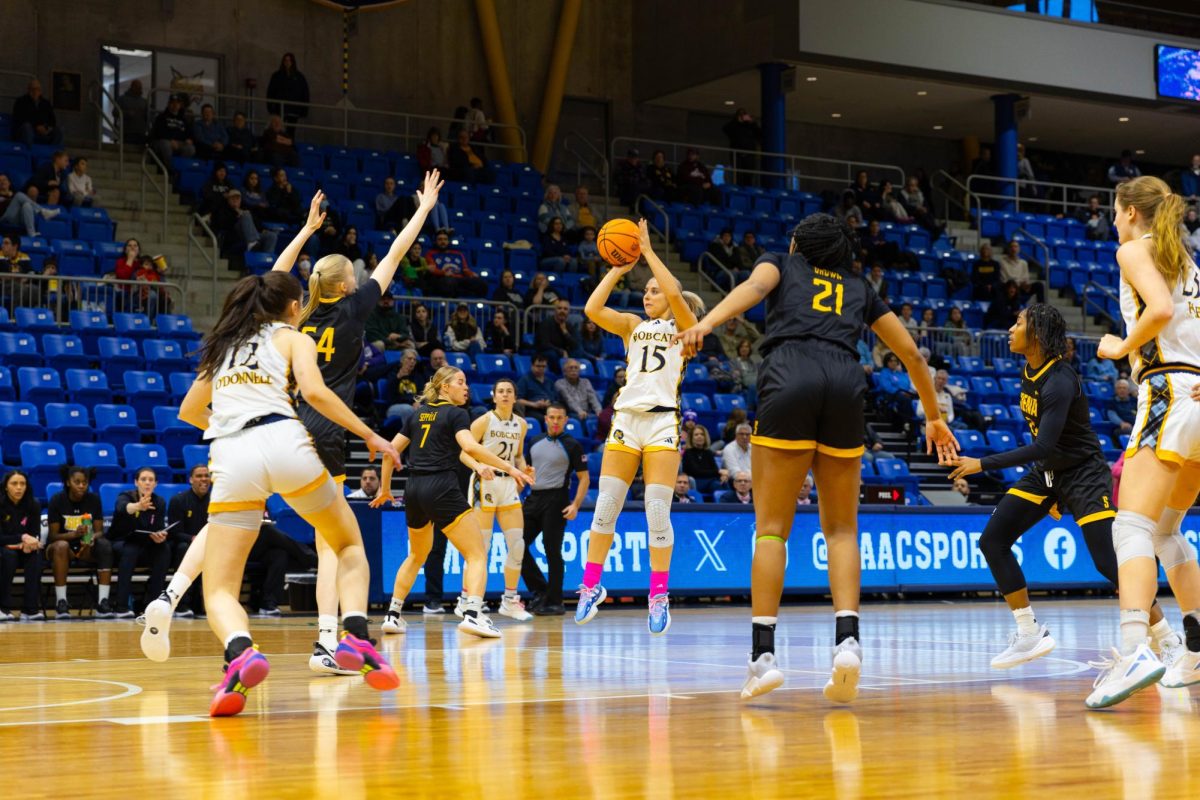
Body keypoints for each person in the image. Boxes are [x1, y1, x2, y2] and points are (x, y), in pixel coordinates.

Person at [675, 212, 958, 702]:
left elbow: (752, 289)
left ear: (799, 244)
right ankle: (847, 643)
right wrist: (933, 417)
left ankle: (762, 657)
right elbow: (912, 354)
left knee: (771, 528)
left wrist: (705, 322)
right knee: (842, 528)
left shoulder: (781, 265)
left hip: (790, 373)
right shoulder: (858, 286)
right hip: (846, 382)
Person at [165, 270, 400, 716]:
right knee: (346, 542)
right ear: (295, 307)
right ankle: (354, 636)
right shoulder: (294, 338)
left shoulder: (221, 348)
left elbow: (189, 410)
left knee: (219, 589)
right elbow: (314, 392)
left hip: (232, 456)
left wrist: (228, 429)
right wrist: (372, 435)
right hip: (284, 440)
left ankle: (241, 653)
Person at [946, 304, 1180, 673]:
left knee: (1109, 563)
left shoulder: (1060, 379)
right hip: (1048, 473)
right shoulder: (1029, 370)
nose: (1010, 328)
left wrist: (982, 463)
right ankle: (1029, 632)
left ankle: (1168, 640)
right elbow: (1045, 450)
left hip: (1083, 474)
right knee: (993, 540)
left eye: (1018, 322)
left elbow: (1042, 445)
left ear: (1036, 333)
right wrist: (1051, 493)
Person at [1084, 175, 1200, 706]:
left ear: (1131, 211)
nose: (1112, 219)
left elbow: (1157, 311)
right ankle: (1195, 651)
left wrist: (1118, 347)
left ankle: (1134, 649)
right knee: (1167, 531)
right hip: (1197, 395)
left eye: (1114, 210)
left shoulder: (1134, 249)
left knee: (1130, 525)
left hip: (1168, 392)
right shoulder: (1187, 261)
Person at [575, 219, 704, 635]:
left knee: (655, 511)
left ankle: (658, 593)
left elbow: (671, 291)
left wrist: (647, 251)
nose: (647, 295)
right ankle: (591, 586)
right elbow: (593, 310)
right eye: (644, 290)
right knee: (606, 507)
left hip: (663, 423)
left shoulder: (686, 331)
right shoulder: (633, 327)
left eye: (653, 291)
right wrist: (619, 266)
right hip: (626, 421)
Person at [372, 367, 532, 637]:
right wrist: (511, 468)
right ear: (445, 388)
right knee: (477, 553)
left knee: (416, 555)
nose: (466, 387)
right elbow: (470, 447)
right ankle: (472, 614)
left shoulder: (417, 414)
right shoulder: (457, 414)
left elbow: (389, 453)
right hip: (441, 488)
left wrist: (385, 489)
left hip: (414, 489)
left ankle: (393, 614)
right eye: (460, 382)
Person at [455, 379, 535, 621]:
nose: (505, 395)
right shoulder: (484, 421)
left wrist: (524, 468)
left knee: (517, 545)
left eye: (509, 391)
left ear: (514, 396)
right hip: (485, 483)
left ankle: (510, 600)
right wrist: (479, 467)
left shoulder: (521, 424)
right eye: (500, 391)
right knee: (482, 547)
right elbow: (462, 452)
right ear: (493, 396)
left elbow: (518, 455)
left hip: (508, 483)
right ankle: (466, 600)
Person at [520, 403, 590, 615]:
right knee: (516, 546)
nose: (556, 421)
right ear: (546, 419)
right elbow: (528, 471)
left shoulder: (572, 445)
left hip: (557, 500)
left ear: (566, 420)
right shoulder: (534, 441)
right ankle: (540, 590)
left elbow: (584, 478)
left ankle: (555, 601)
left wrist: (575, 504)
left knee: (552, 551)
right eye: (552, 417)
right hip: (534, 499)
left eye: (560, 418)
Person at [46, 466, 113, 619]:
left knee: (104, 545)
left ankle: (103, 602)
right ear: (68, 482)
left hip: (86, 547)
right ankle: (61, 602)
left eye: (84, 482)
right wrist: (75, 534)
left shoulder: (94, 500)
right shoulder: (57, 500)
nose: (82, 485)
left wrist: (90, 538)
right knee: (61, 546)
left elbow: (99, 531)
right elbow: (53, 536)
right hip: (62, 549)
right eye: (77, 482)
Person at [109, 467, 172, 619]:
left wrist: (159, 535)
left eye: (151, 480)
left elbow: (156, 527)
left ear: (156, 484)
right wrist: (138, 506)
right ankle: (122, 606)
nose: (147, 483)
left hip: (145, 542)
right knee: (131, 550)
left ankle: (152, 604)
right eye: (143, 479)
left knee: (164, 549)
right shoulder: (125, 496)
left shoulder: (159, 502)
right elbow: (122, 508)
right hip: (122, 541)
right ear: (136, 482)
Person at [166, 464, 211, 618]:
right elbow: (174, 532)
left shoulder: (216, 501)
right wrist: (194, 539)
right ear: (191, 479)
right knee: (184, 548)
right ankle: (182, 605)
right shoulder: (178, 500)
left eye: (206, 475)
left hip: (210, 544)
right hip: (184, 544)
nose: (204, 479)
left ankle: (206, 606)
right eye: (199, 476)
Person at [0, 470, 45, 621]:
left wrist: (31, 543)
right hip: (4, 548)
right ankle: (3, 608)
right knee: (8, 556)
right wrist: (22, 537)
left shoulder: (33, 504)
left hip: (22, 548)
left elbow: (34, 534)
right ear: (6, 487)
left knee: (36, 556)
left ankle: (30, 609)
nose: (19, 487)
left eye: (22, 484)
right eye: (14, 484)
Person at [425, 228, 488, 297]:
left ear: (448, 241)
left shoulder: (458, 254)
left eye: (445, 239)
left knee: (481, 283)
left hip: (459, 278)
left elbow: (465, 269)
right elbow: (433, 269)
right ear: (436, 242)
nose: (443, 242)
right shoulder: (430, 254)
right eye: (440, 239)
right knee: (449, 283)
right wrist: (444, 273)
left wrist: (472, 274)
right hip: (443, 279)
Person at [0, 173, 59, 237]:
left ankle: (31, 233)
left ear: (9, 183)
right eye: (0, 180)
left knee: (27, 205)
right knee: (19, 195)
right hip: (5, 218)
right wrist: (8, 201)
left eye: (4, 180)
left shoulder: (14, 193)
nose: (2, 182)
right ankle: (42, 211)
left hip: (17, 218)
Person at [266, 52, 310, 136]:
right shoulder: (277, 76)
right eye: (285, 60)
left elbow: (305, 93)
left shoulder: (299, 77)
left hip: (293, 110)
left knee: (291, 132)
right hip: (279, 109)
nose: (287, 62)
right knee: (278, 131)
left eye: (289, 60)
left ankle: (289, 147)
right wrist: (270, 107)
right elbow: (270, 92)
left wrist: (304, 110)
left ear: (293, 62)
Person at [11, 79, 62, 146]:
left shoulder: (46, 103)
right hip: (27, 131)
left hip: (43, 131)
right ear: (28, 90)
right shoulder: (20, 102)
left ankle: (53, 152)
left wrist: (45, 127)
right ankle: (29, 152)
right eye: (33, 89)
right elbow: (19, 118)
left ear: (40, 91)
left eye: (37, 89)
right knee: (27, 127)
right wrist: (36, 126)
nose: (35, 91)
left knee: (58, 130)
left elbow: (52, 120)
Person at [150, 94, 195, 168]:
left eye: (177, 103)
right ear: (168, 104)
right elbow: (158, 132)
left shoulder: (183, 119)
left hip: (180, 142)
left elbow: (189, 133)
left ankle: (179, 167)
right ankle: (170, 168)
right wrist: (170, 140)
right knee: (166, 145)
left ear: (180, 105)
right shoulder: (161, 117)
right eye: (172, 103)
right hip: (164, 142)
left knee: (191, 148)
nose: (175, 105)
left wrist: (189, 139)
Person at [682, 425, 726, 495]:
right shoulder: (688, 453)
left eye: (702, 434)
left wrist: (722, 475)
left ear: (705, 437)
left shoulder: (708, 452)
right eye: (696, 435)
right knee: (717, 485)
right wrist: (717, 472)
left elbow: (714, 469)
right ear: (691, 438)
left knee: (724, 481)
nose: (699, 436)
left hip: (710, 481)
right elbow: (696, 472)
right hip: (694, 482)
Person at [723, 108, 761, 186]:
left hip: (749, 155)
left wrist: (752, 122)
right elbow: (725, 129)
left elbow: (759, 135)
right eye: (740, 115)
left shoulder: (750, 126)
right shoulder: (734, 126)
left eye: (744, 114)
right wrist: (737, 121)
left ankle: (747, 192)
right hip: (737, 155)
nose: (742, 116)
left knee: (749, 176)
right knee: (738, 176)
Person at [535, 298, 579, 365]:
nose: (562, 311)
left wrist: (565, 332)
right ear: (555, 310)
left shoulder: (569, 326)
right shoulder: (546, 324)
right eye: (559, 308)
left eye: (565, 309)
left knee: (577, 352)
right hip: (547, 352)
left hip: (563, 352)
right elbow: (544, 344)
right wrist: (560, 351)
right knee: (553, 355)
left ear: (569, 312)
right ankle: (558, 374)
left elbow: (575, 345)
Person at [516, 354, 557, 421]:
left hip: (549, 409)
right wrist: (534, 404)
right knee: (543, 419)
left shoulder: (549, 381)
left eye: (543, 366)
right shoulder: (524, 380)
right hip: (531, 410)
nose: (541, 368)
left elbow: (555, 398)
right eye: (538, 366)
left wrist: (548, 403)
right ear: (532, 366)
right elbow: (517, 400)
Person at [116, 79, 149, 145]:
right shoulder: (122, 99)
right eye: (137, 87)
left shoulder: (144, 102)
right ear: (132, 87)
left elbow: (149, 116)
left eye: (140, 87)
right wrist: (127, 113)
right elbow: (115, 112)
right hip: (127, 133)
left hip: (141, 133)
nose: (139, 89)